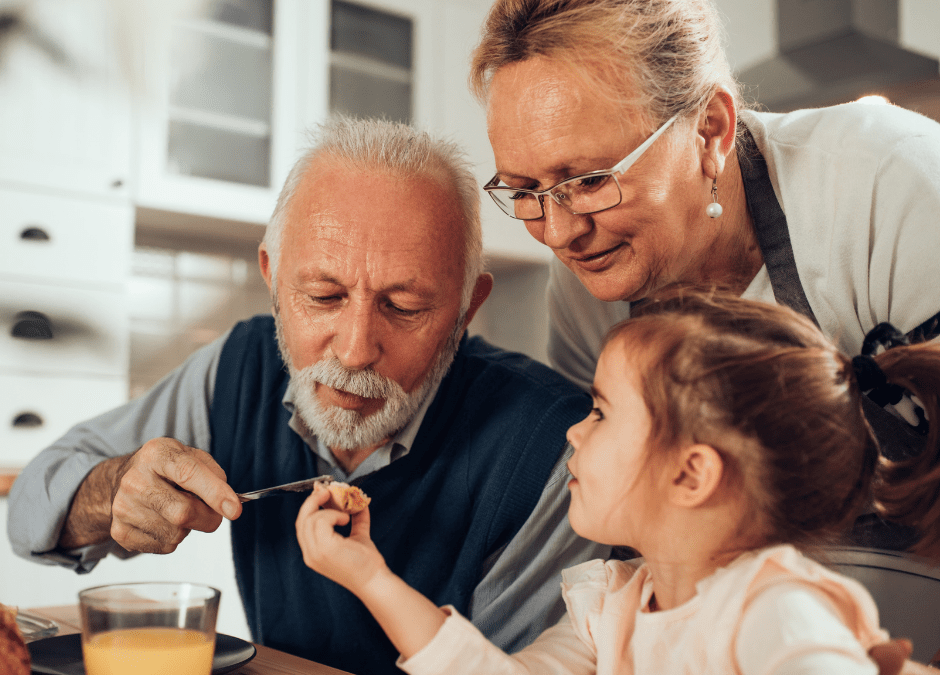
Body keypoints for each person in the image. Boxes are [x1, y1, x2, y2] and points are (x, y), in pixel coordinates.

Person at [6, 116, 609, 675]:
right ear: (271, 274)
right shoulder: (239, 368)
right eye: (323, 296)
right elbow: (30, 511)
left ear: (467, 308)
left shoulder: (557, 449)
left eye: (403, 307)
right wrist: (111, 493)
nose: (352, 350)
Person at [296, 286, 940, 675]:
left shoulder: (775, 610)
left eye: (601, 412)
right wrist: (370, 576)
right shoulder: (616, 604)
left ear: (690, 474)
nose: (574, 432)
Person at [468, 0, 940, 517]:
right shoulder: (587, 300)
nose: (559, 233)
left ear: (709, 130)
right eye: (524, 190)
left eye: (591, 181)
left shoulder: (890, 186)